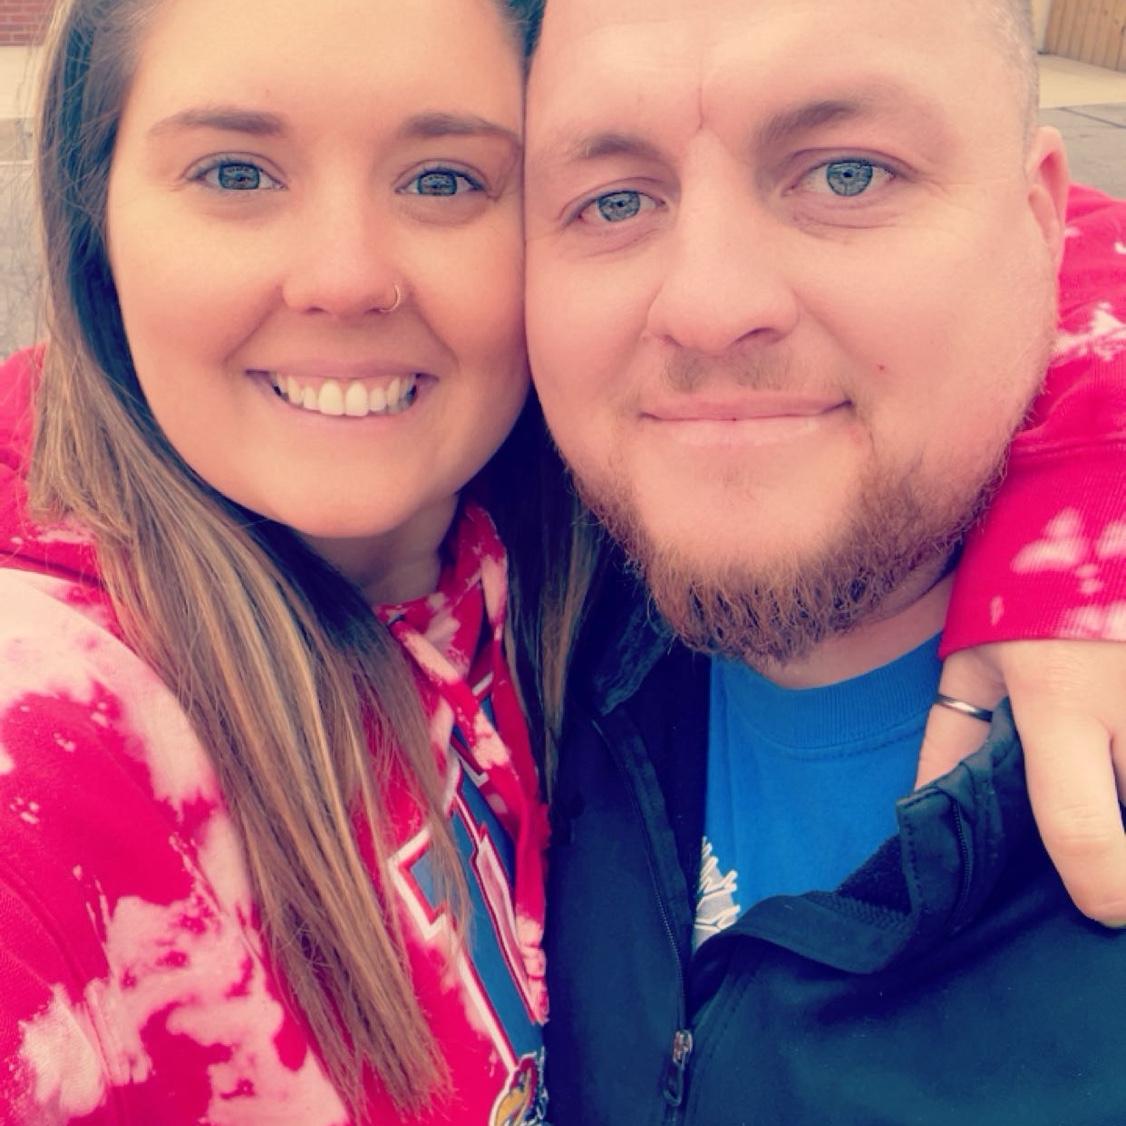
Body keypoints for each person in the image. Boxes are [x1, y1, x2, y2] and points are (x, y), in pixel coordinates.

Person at [522, 0, 1126, 1121]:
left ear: (1040, 225)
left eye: (848, 174)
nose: (707, 307)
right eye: (614, 200)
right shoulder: (505, 594)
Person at [0, 0, 550, 1122]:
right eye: (236, 173)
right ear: (96, 221)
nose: (346, 278)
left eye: (443, 180)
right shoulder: (44, 757)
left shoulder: (585, 558)